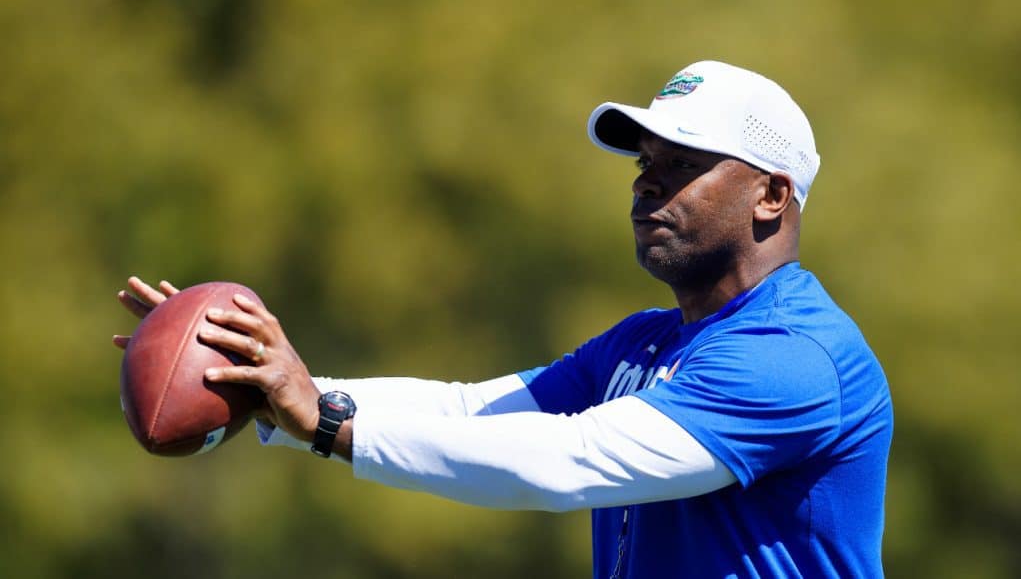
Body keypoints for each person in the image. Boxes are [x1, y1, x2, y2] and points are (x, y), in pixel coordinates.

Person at [115, 61, 893, 578]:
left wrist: (322, 422)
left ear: (771, 196)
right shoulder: (645, 344)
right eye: (643, 163)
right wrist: (266, 381)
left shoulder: (795, 355)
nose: (647, 184)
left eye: (683, 164)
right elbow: (470, 409)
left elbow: (569, 461)